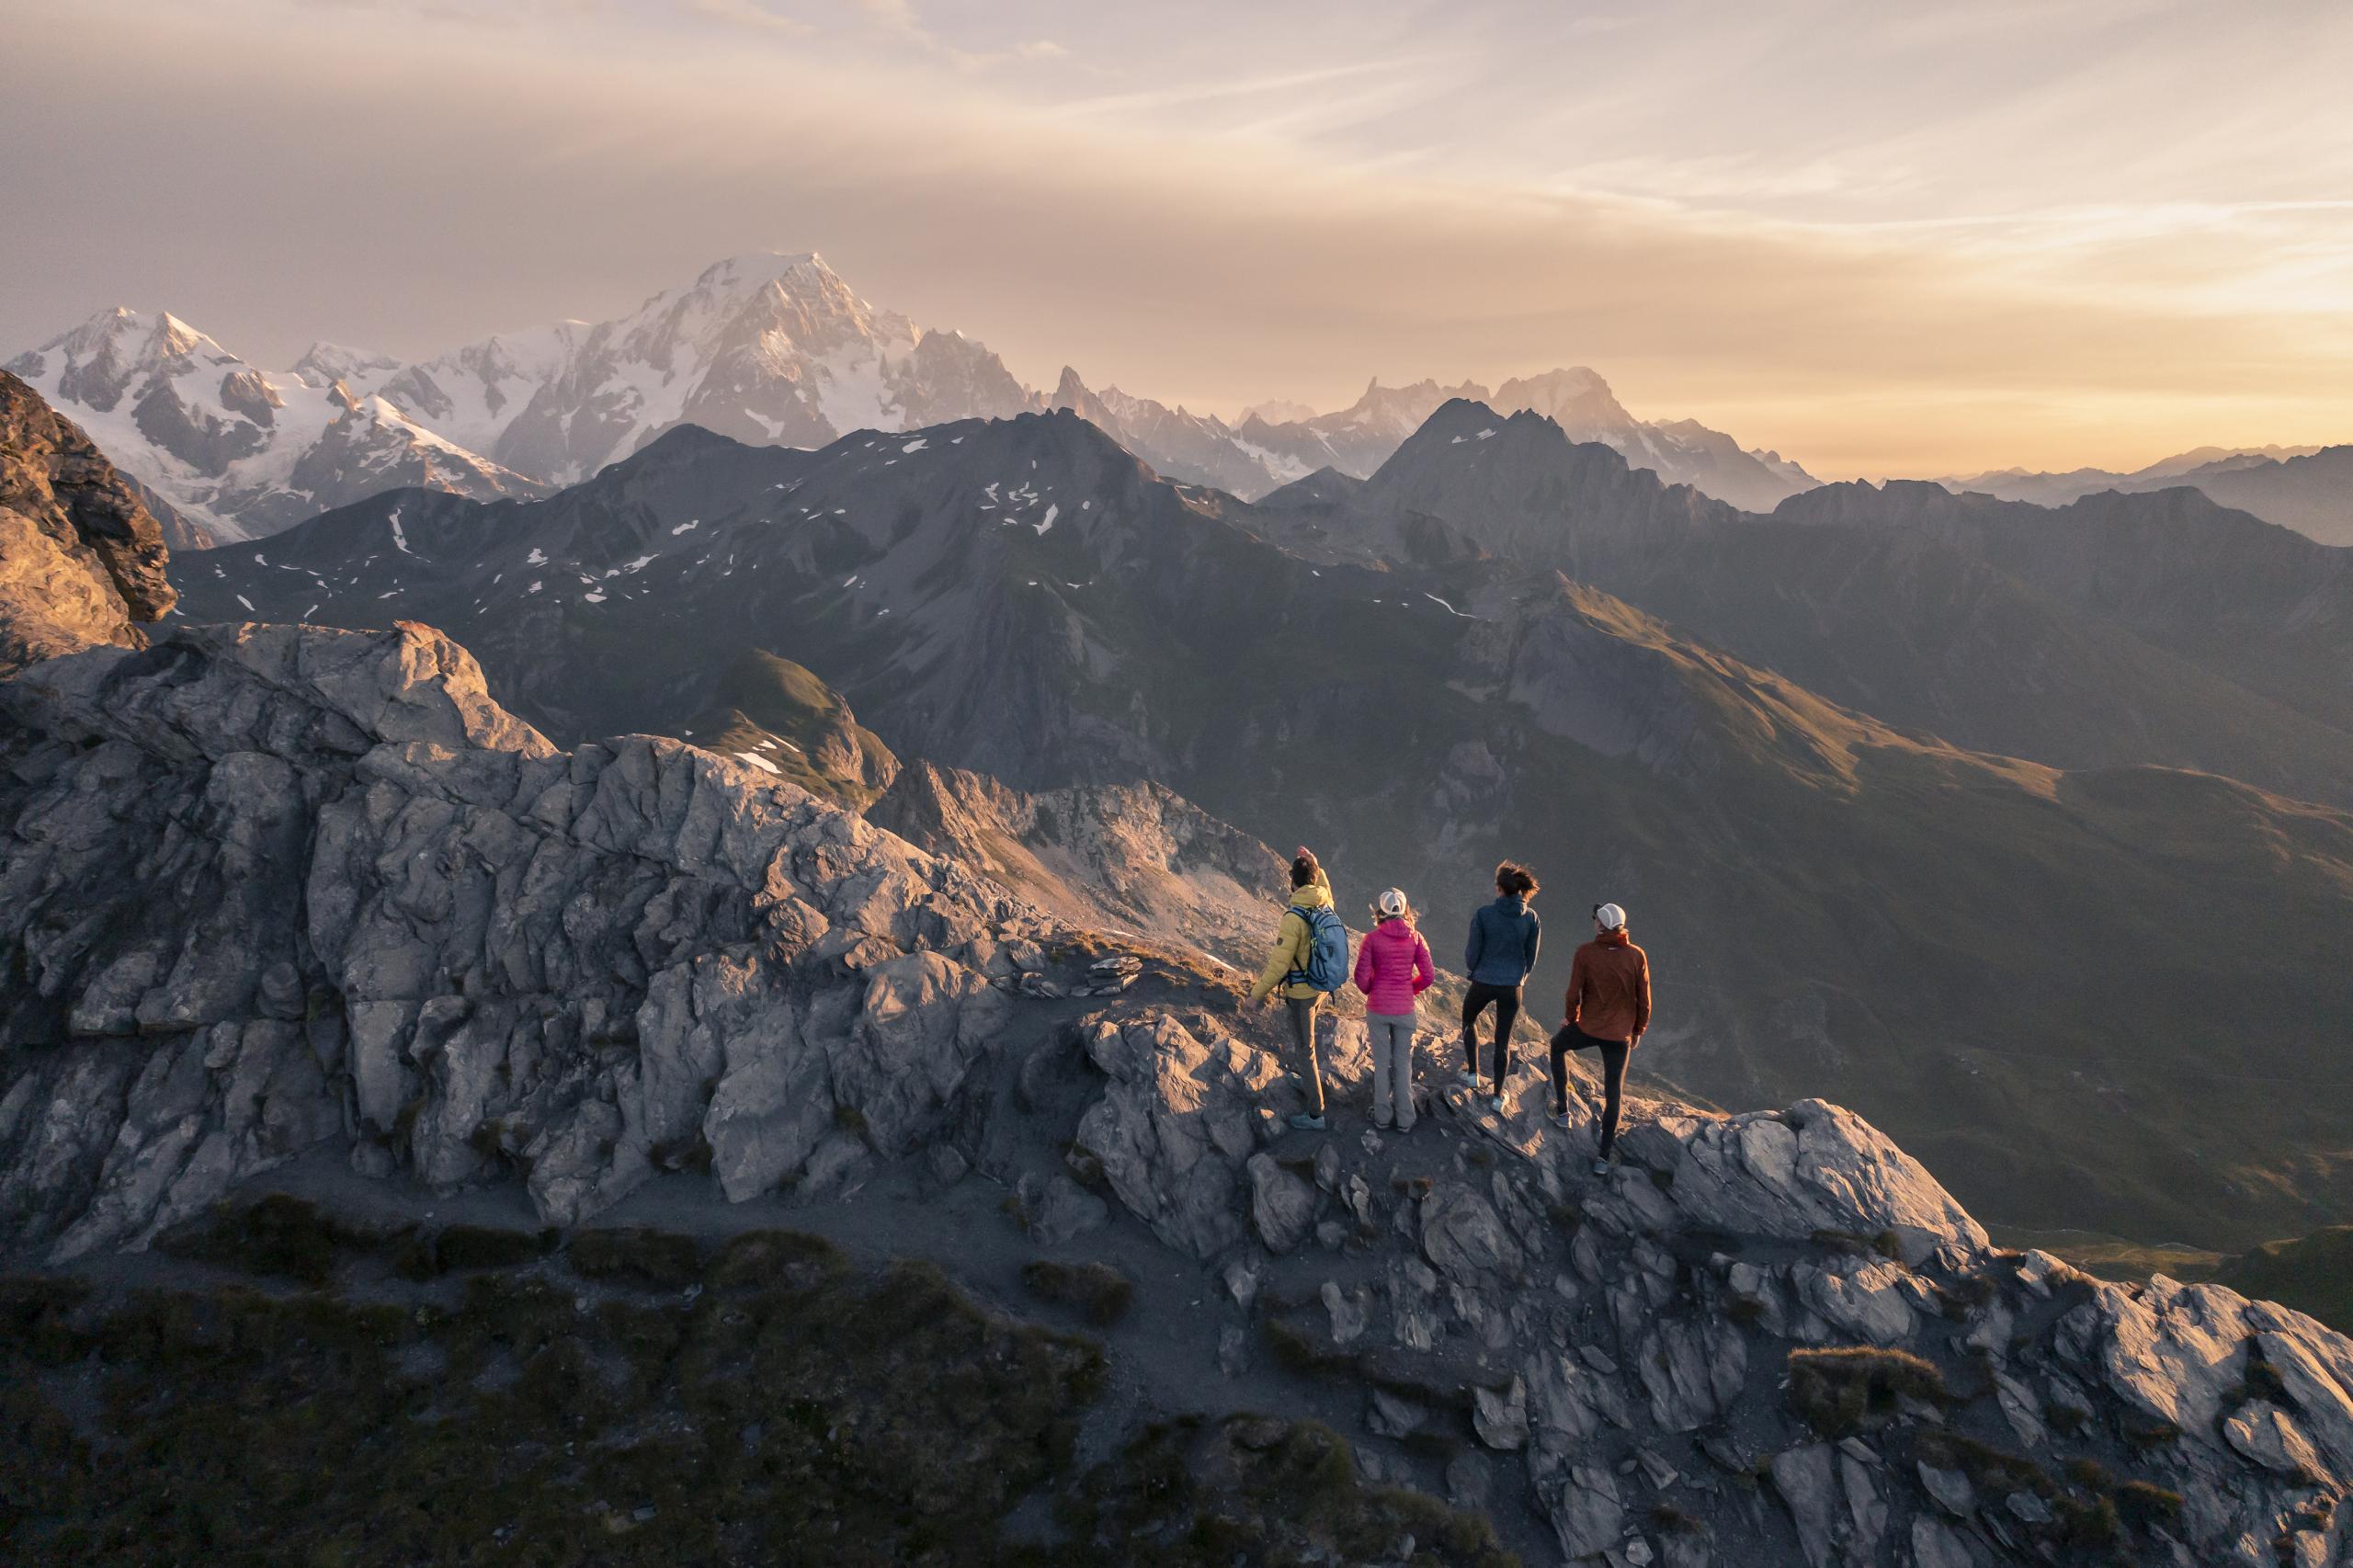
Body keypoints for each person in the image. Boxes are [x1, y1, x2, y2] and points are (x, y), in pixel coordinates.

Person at [1551, 902, 1651, 1175]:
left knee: (1557, 1046)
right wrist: (1638, 1030)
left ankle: (1563, 1112)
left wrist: (1571, 1018)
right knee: (1613, 1092)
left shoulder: (1585, 953)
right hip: (1619, 1035)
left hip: (1588, 1028)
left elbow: (1573, 993)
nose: (1594, 921)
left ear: (1600, 925)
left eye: (1595, 918)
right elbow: (1644, 1000)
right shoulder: (1636, 955)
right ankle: (1603, 1159)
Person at [1247, 847, 1341, 1131]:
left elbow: (1279, 965)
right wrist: (1317, 865)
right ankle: (1307, 1081)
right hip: (1321, 985)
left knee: (1304, 1049)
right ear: (1313, 879)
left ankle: (1315, 1114)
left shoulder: (1294, 917)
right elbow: (1326, 890)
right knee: (1306, 1047)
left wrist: (1256, 995)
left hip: (1302, 993)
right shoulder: (1324, 903)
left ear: (1293, 883)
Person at [1353, 887, 1435, 1133]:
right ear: (1405, 910)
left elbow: (1360, 977)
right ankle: (1405, 1120)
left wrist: (1372, 990)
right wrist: (1410, 989)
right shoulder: (1416, 938)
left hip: (1378, 1009)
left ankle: (1382, 1117)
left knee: (1382, 1065)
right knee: (1402, 1064)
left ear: (1381, 911)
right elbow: (1429, 976)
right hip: (1404, 1010)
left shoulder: (1371, 939)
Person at [1461, 860, 1541, 1110]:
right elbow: (1531, 958)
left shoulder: (1484, 915)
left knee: (1469, 1019)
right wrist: (1519, 979)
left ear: (1499, 888)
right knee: (1502, 1041)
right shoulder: (1531, 918)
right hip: (1511, 987)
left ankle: (1472, 1074)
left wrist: (1474, 971)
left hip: (1483, 980)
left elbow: (1472, 952)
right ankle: (1497, 1096)